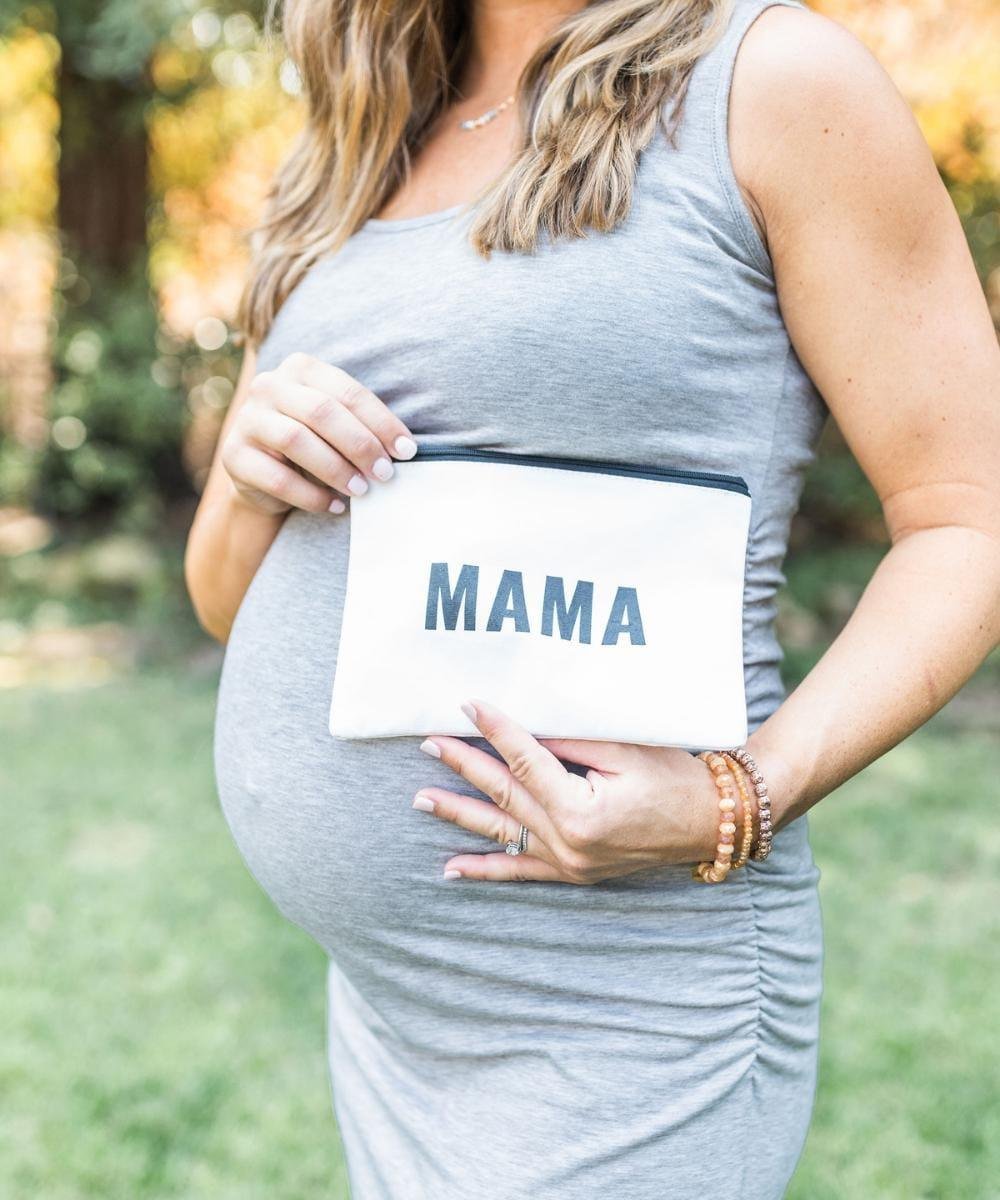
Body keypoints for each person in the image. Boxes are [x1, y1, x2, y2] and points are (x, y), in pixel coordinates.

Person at [184, 0, 1000, 1195]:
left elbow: (969, 520)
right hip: (394, 1024)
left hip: (624, 1005)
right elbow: (223, 601)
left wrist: (738, 795)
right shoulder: (365, 122)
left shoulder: (774, 82)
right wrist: (252, 473)